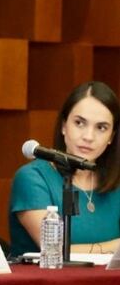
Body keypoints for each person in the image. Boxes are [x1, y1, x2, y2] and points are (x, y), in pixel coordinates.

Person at [9, 81, 119, 256]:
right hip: (43, 282)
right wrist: (113, 247)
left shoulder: (116, 183)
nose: (88, 136)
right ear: (63, 126)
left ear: (111, 137)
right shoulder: (33, 178)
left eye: (101, 127)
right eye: (79, 123)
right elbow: (56, 249)